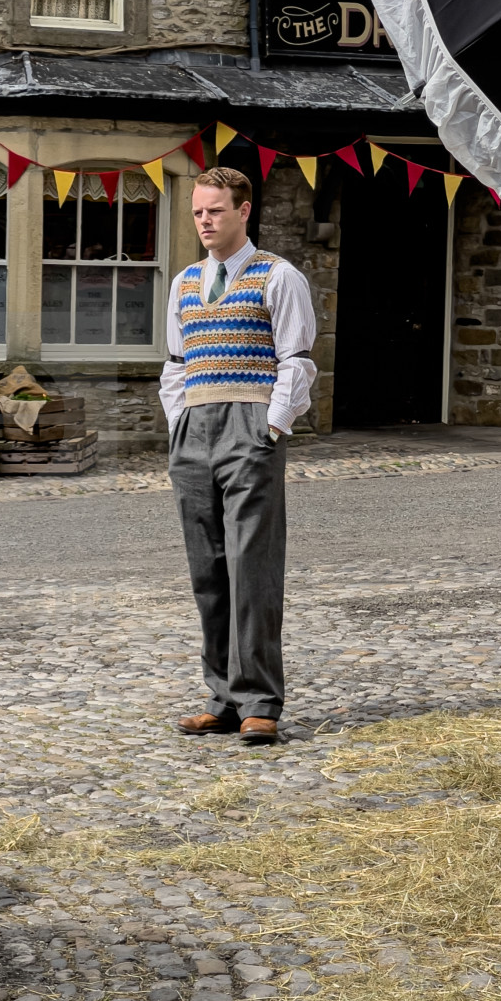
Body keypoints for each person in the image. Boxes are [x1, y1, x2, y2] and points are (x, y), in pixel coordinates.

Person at [160, 167, 317, 745]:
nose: (205, 221)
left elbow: (297, 359)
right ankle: (223, 697)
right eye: (199, 212)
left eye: (216, 210)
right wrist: (179, 424)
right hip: (194, 427)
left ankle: (259, 701)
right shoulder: (183, 283)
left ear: (243, 210)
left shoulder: (278, 276)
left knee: (251, 564)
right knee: (207, 569)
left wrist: (271, 427)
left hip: (250, 423)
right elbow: (175, 365)